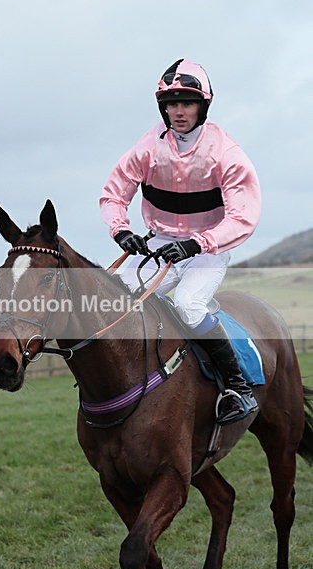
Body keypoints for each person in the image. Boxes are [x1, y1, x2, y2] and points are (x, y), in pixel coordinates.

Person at [99, 58, 261, 424]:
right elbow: (112, 195)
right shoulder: (147, 148)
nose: (178, 111)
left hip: (207, 249)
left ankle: (238, 386)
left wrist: (197, 243)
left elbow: (243, 216)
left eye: (186, 102)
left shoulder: (226, 154)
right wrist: (121, 230)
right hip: (159, 243)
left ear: (203, 105)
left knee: (188, 305)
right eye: (171, 104)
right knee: (116, 301)